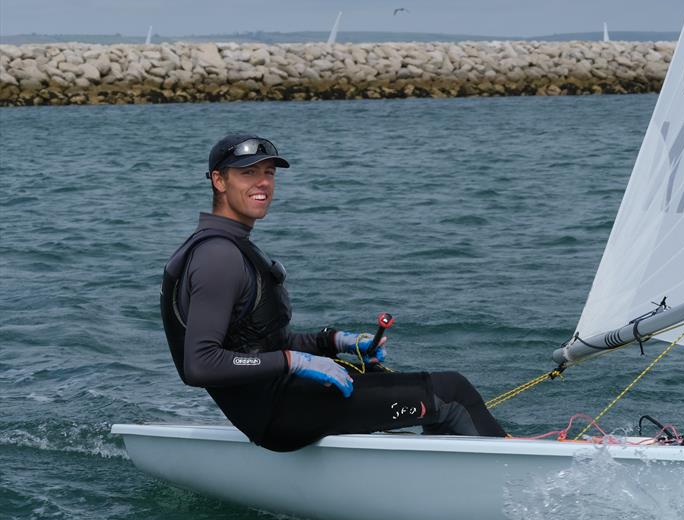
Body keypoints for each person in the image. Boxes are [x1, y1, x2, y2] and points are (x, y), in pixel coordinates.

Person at [160, 133, 506, 452]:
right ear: (219, 181)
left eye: (269, 172)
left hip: (280, 405)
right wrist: (294, 361)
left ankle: (449, 469)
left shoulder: (227, 246)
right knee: (450, 392)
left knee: (379, 378)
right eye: (248, 173)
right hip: (280, 416)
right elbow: (200, 365)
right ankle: (506, 475)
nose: (263, 182)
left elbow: (257, 344)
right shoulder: (218, 257)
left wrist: (334, 342)